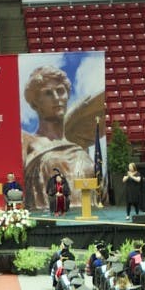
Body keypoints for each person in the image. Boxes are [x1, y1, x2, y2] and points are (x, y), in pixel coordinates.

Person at [19, 65, 98, 211]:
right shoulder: (27, 141)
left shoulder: (79, 149)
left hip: (88, 217)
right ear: (35, 103)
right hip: (49, 220)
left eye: (60, 91)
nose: (57, 98)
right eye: (48, 93)